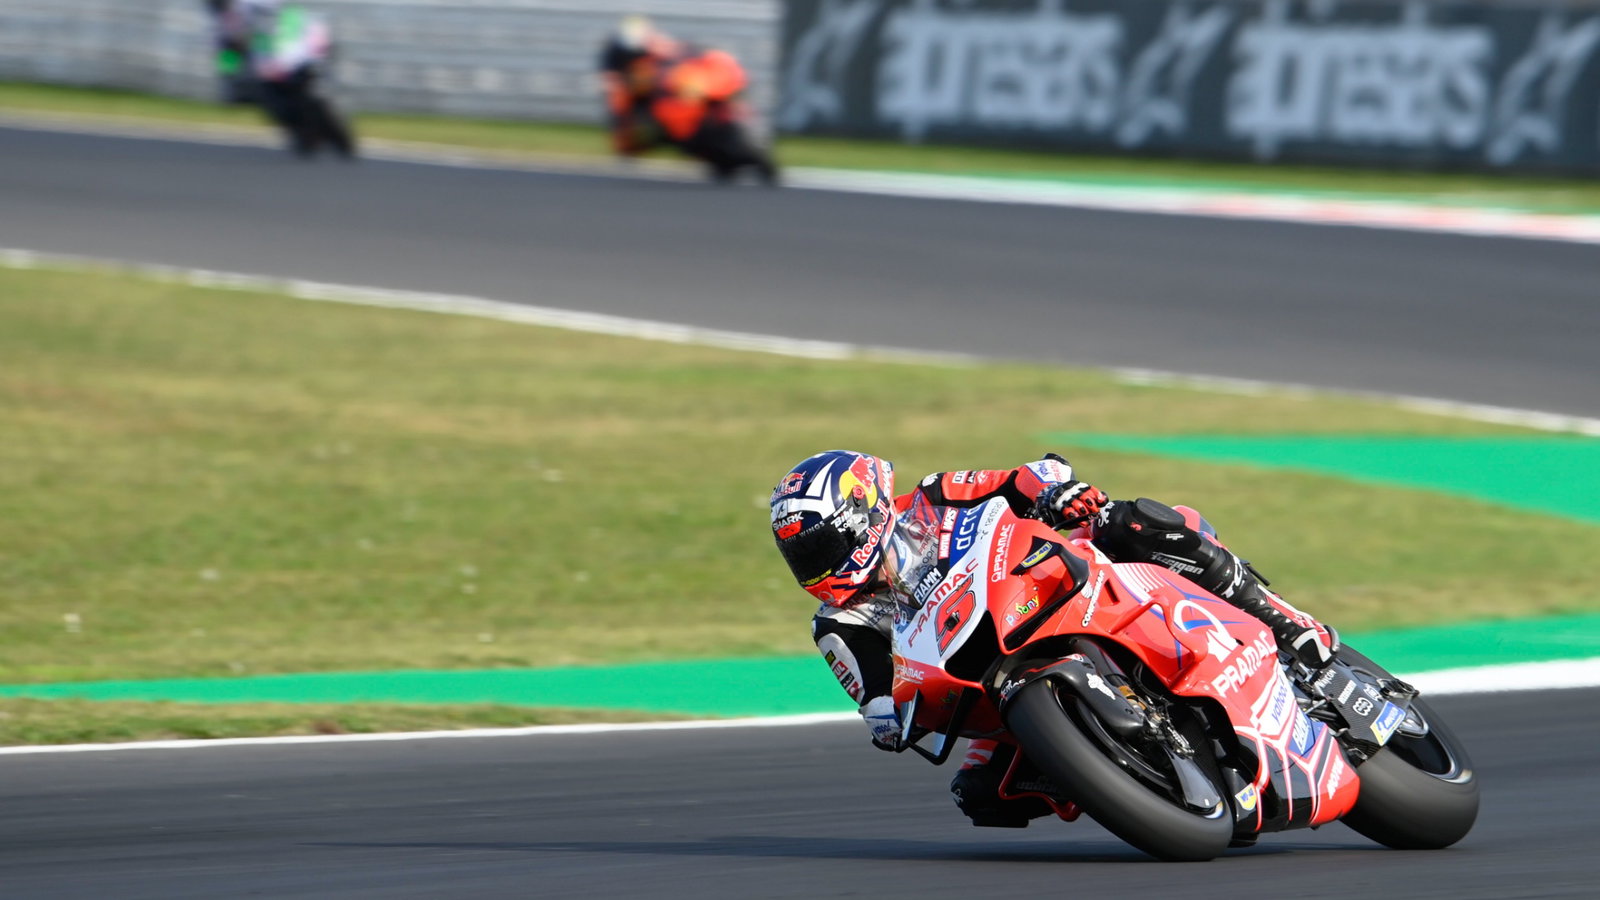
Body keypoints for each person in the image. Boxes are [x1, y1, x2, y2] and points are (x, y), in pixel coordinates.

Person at [768, 450, 1340, 827]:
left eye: (819, 547)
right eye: (802, 556)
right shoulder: (839, 622)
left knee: (1130, 521)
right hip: (990, 685)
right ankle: (1125, 777)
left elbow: (1021, 477)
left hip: (1045, 587)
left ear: (862, 513)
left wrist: (1060, 492)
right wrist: (887, 717)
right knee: (982, 796)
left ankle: (1285, 621)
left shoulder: (931, 496)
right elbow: (873, 695)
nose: (815, 566)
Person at [202, 0, 355, 158]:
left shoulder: (253, 7)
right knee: (269, 98)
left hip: (299, 47)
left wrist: (282, 59)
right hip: (275, 60)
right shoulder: (222, 24)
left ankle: (330, 129)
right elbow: (227, 60)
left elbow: (286, 19)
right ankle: (304, 132)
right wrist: (232, 77)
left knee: (301, 87)